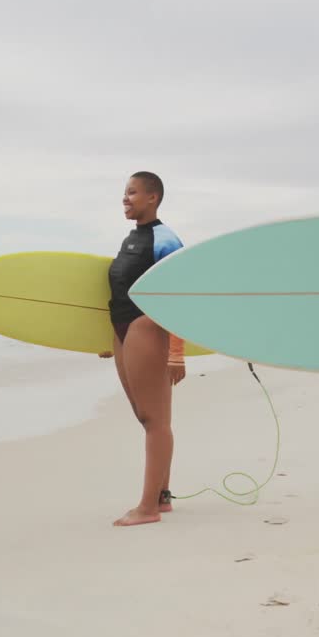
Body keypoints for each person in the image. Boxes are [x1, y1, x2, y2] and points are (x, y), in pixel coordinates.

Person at [99, 171, 188, 527]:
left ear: (153, 197)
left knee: (155, 420)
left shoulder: (166, 239)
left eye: (132, 192)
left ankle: (148, 508)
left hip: (146, 328)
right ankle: (162, 495)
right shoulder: (130, 238)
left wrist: (177, 352)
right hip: (122, 332)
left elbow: (179, 295)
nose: (125, 198)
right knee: (143, 416)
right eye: (125, 192)